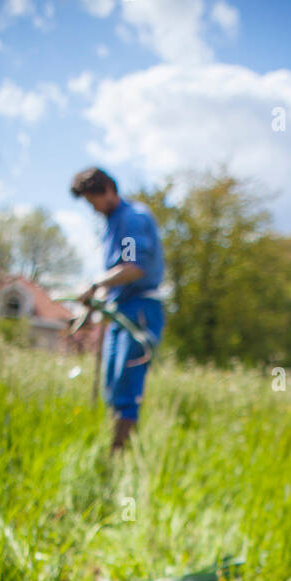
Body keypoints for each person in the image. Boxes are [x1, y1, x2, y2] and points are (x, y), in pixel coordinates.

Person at [70, 166, 165, 452]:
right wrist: (91, 308)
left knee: (126, 385)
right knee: (111, 386)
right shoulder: (113, 222)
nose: (93, 208)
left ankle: (120, 459)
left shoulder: (131, 219)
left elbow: (134, 267)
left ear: (109, 191)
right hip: (119, 308)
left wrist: (96, 283)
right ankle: (114, 451)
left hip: (138, 309)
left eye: (92, 201)